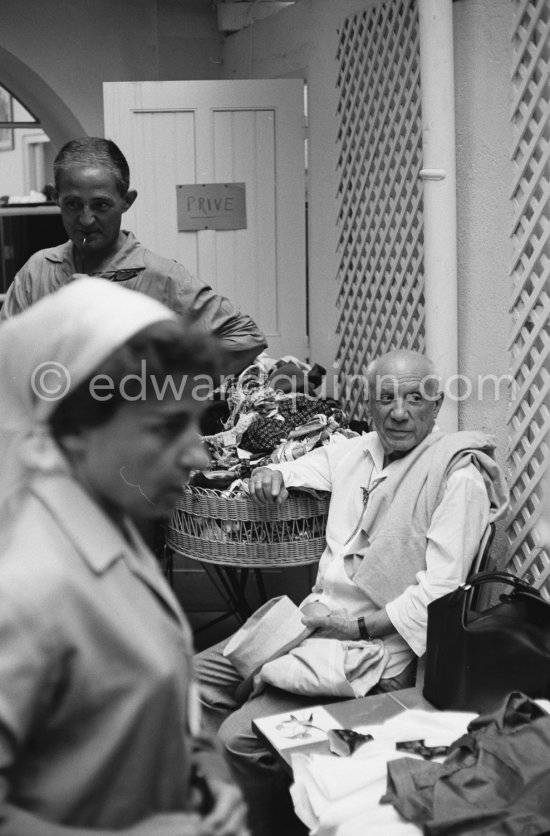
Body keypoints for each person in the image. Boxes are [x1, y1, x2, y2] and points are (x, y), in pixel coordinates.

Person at [194, 349, 510, 836]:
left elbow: (439, 595)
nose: (399, 411)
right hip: (309, 624)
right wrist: (271, 474)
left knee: (241, 736)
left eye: (415, 398)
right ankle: (223, 808)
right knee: (189, 680)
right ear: (370, 401)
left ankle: (267, 823)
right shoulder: (356, 452)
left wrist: (353, 626)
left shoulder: (457, 477)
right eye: (386, 398)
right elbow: (297, 469)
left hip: (372, 653)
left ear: (437, 404)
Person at [0, 277, 249, 835]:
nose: (197, 455)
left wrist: (209, 774)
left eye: (196, 421)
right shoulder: (27, 588)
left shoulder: (114, 526)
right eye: (166, 428)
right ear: (77, 429)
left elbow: (160, 704)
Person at [0, 136, 267, 377]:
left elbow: (246, 338)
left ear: (126, 201)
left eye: (101, 205)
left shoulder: (162, 277)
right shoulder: (38, 272)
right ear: (56, 197)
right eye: (72, 204)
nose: (86, 219)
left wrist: (159, 378)